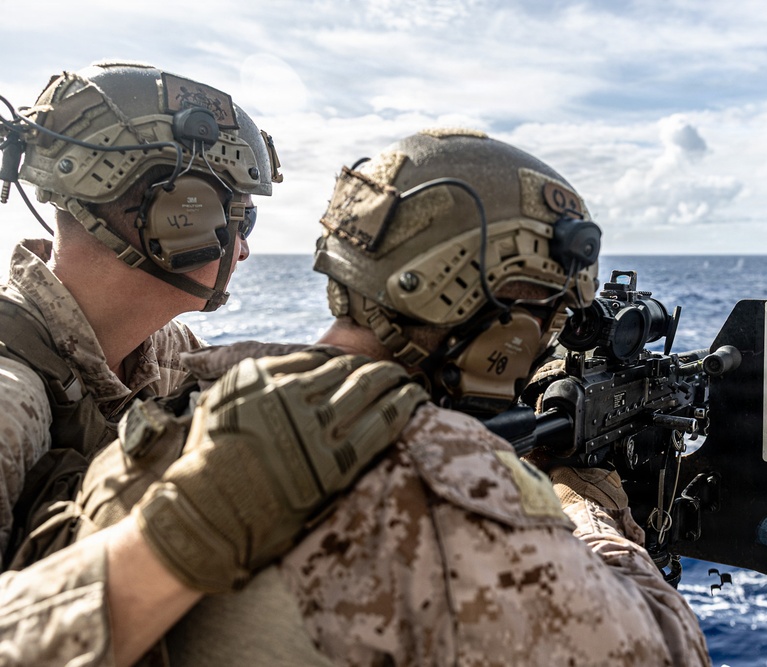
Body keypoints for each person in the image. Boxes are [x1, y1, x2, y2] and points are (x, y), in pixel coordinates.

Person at [65, 129, 712, 665]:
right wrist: (578, 500)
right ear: (499, 316)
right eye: (545, 314)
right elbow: (668, 650)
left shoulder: (182, 401)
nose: (545, 339)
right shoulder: (441, 485)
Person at [0, 60, 278, 561]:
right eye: (244, 218)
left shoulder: (154, 347)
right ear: (178, 217)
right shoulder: (9, 409)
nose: (243, 250)